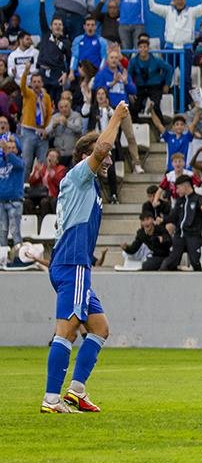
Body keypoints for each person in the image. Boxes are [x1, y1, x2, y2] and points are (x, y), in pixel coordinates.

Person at [41, 102, 129, 414]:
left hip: (72, 263)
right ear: (86, 155)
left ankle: (76, 391)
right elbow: (104, 144)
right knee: (67, 329)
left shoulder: (85, 184)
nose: (107, 157)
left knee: (100, 327)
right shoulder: (79, 175)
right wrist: (117, 116)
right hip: (73, 263)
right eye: (101, 154)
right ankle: (51, 399)